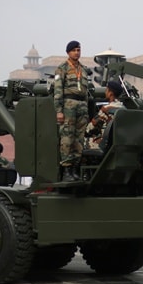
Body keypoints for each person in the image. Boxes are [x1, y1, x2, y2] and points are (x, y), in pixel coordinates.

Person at [53, 40, 91, 182]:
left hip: (82, 105)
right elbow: (57, 91)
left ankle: (75, 169)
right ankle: (67, 170)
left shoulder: (83, 69)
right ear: (68, 52)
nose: (77, 52)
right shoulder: (62, 68)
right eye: (74, 50)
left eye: (78, 50)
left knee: (79, 138)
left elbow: (86, 91)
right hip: (68, 104)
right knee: (67, 137)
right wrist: (59, 111)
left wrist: (85, 107)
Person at [85, 80, 124, 149]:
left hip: (104, 144)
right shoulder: (123, 108)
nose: (105, 92)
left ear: (110, 93)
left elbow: (90, 128)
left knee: (78, 144)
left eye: (106, 90)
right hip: (118, 143)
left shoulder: (106, 109)